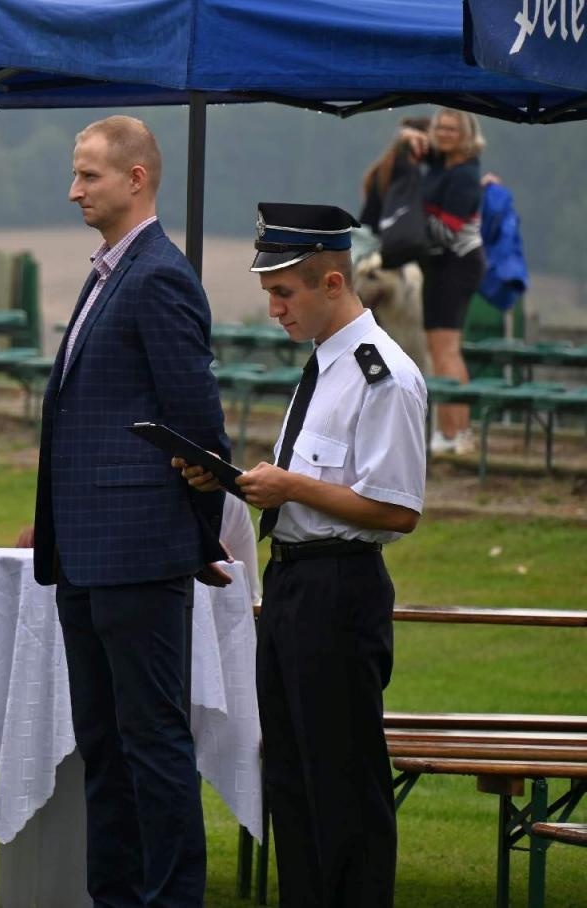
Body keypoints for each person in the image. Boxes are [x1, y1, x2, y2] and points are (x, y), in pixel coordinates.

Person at [178, 202, 425, 908]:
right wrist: (237, 483)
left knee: (342, 784)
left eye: (284, 292)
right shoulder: (324, 366)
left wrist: (290, 487)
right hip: (292, 584)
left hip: (339, 589)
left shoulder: (381, 375)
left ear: (333, 283)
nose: (275, 309)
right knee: (291, 778)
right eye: (270, 293)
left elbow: (397, 509)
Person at [22, 115, 231, 908]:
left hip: (139, 551)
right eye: (75, 175)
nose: (73, 190)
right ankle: (113, 896)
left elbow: (196, 426)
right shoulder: (108, 273)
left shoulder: (159, 276)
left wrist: (194, 538)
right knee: (103, 746)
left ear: (136, 179)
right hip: (84, 554)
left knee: (152, 743)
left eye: (89, 175)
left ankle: (172, 899)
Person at [400, 109, 488, 454]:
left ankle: (455, 432)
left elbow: (447, 232)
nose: (446, 133)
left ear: (467, 134)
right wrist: (410, 136)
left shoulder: (465, 175)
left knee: (446, 350)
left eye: (453, 129)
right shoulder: (441, 163)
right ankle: (453, 431)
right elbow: (407, 132)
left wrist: (410, 217)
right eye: (441, 127)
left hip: (457, 263)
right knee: (440, 351)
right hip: (438, 265)